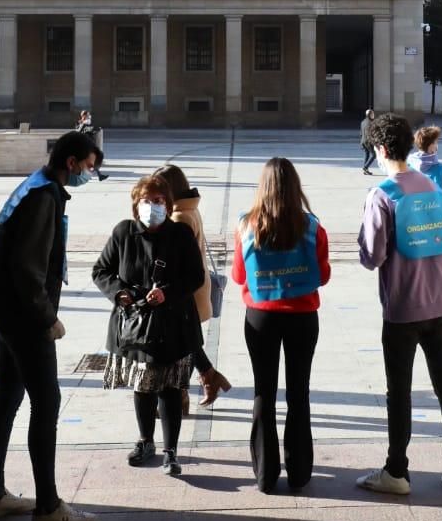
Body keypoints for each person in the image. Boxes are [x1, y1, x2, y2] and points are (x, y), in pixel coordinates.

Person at [0, 130, 101, 521]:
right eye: (88, 166)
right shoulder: (43, 199)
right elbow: (27, 269)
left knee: (9, 394)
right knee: (46, 403)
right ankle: (48, 508)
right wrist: (48, 318)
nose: (89, 174)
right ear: (72, 163)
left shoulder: (37, 185)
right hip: (23, 315)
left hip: (4, 308)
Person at [356, 112, 442, 498]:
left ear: (382, 149)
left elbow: (372, 256)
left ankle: (397, 471)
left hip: (404, 308)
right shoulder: (435, 187)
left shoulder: (383, 194)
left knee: (399, 392)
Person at [93, 173, 204, 476]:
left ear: (168, 205)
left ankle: (171, 451)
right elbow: (101, 270)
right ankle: (146, 441)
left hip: (173, 326)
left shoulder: (180, 234)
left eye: (158, 201)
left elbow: (196, 277)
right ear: (136, 204)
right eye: (147, 201)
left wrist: (166, 293)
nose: (152, 206)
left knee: (170, 388)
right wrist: (121, 293)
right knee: (143, 388)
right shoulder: (123, 233)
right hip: (137, 328)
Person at [231, 157, 331, 493]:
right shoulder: (313, 227)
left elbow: (238, 276)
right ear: (295, 187)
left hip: (261, 317)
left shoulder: (246, 226)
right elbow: (324, 275)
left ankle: (265, 473)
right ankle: (300, 472)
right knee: (299, 393)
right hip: (303, 315)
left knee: (264, 392)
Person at [155, 162, 232, 409]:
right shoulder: (187, 209)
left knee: (183, 343)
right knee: (188, 341)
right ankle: (208, 377)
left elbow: (177, 260)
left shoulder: (179, 217)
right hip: (194, 287)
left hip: (186, 290)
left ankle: (182, 395)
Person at [408, 124, 442, 208]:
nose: (437, 145)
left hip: (414, 214)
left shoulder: (408, 164)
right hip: (435, 215)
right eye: (436, 142)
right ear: (431, 145)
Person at [76, 108, 109, 180]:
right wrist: (81, 124)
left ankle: (98, 175)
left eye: (88, 115)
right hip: (86, 145)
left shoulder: (85, 123)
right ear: (84, 116)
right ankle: (97, 175)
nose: (89, 116)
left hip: (88, 144)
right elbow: (79, 132)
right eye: (87, 115)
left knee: (91, 160)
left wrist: (81, 125)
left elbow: (94, 130)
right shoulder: (85, 123)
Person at [360, 107, 376, 173]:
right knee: (374, 155)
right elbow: (371, 133)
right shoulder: (371, 122)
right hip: (368, 141)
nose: (373, 115)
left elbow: (361, 133)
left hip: (363, 141)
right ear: (370, 115)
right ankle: (365, 167)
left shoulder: (363, 122)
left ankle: (365, 170)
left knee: (367, 154)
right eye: (373, 114)